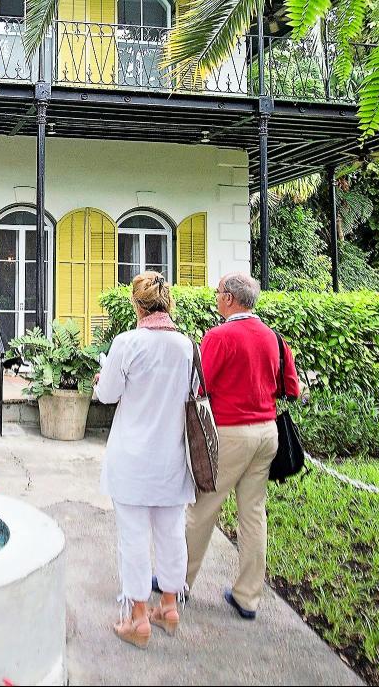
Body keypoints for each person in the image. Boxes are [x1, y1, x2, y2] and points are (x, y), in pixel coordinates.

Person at [185, 271, 300, 621]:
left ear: (230, 299)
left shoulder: (219, 336)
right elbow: (291, 389)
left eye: (219, 292)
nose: (216, 297)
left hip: (231, 433)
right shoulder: (274, 338)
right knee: (253, 514)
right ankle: (248, 597)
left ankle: (179, 582)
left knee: (203, 508)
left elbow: (199, 386)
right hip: (267, 433)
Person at [93, 272, 195, 648]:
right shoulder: (185, 345)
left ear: (137, 304)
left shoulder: (128, 342)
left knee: (133, 537)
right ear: (166, 303)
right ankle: (169, 604)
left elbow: (107, 394)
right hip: (173, 454)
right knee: (171, 533)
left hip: (133, 456)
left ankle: (138, 616)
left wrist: (101, 377)